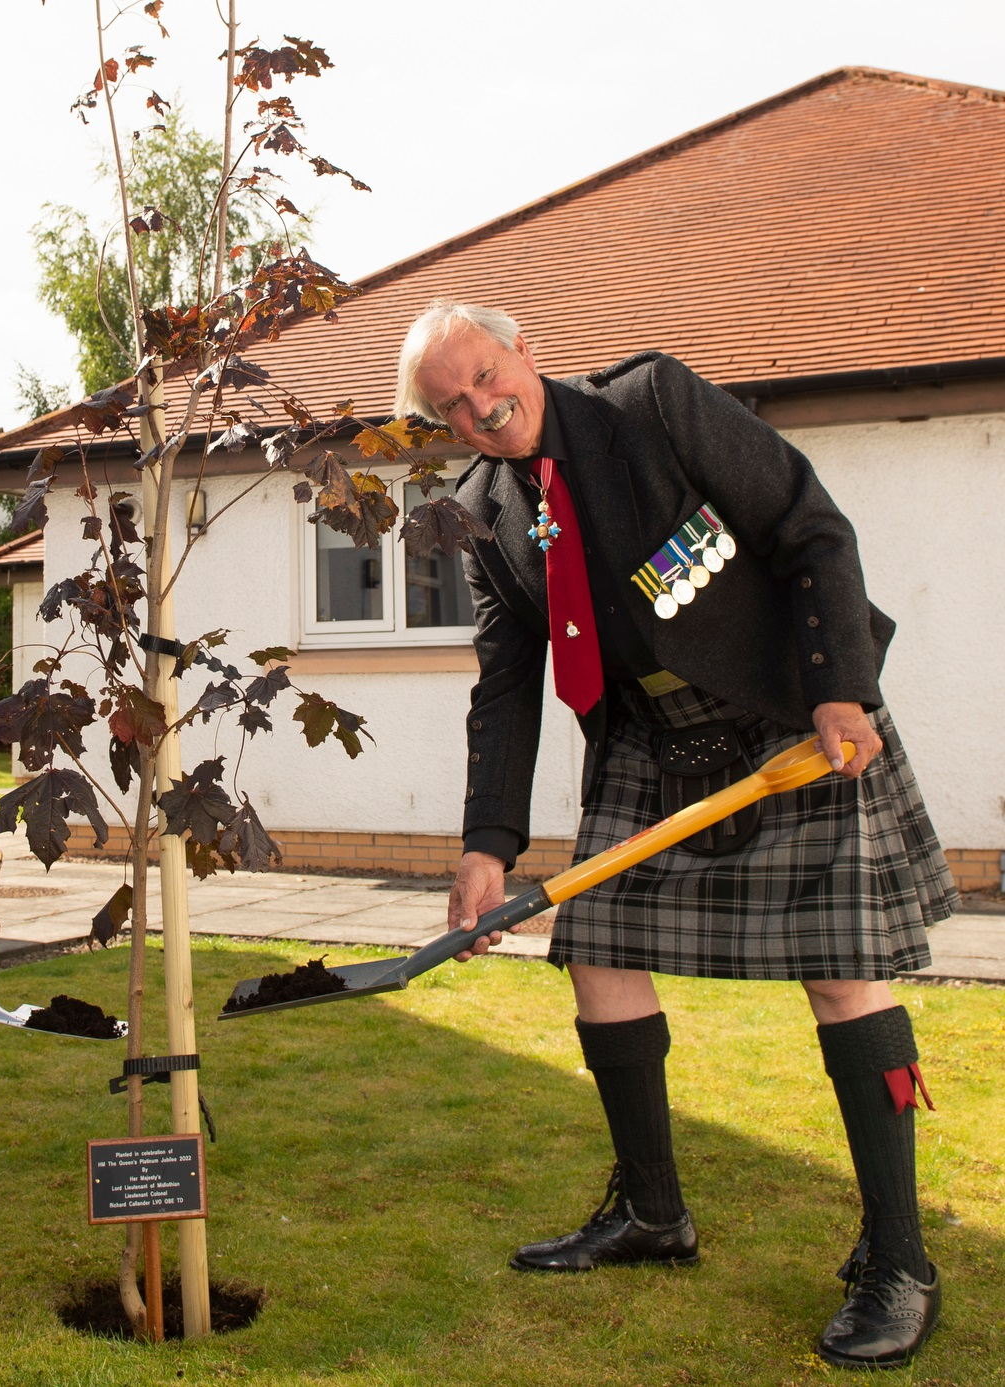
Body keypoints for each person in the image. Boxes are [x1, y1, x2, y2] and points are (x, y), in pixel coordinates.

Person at [395, 300, 956, 1368]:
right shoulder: (481, 507)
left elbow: (809, 524)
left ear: (525, 349)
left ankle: (899, 1257)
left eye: (485, 376)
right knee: (596, 953)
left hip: (787, 715)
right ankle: (651, 1210)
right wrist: (486, 846)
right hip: (648, 744)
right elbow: (506, 683)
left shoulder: (649, 404)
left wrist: (843, 690)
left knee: (844, 971)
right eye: (453, 405)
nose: (481, 406)